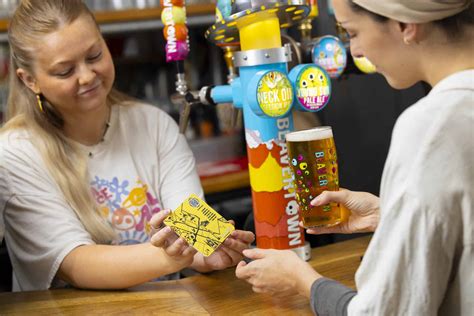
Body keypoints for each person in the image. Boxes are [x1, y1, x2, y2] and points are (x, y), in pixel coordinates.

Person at [236, 0, 473, 315]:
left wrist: (299, 279)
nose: (356, 51)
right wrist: (386, 214)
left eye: (353, 32)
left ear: (405, 25)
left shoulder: (432, 125)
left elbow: (381, 312)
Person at [0, 0, 254, 292]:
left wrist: (212, 248)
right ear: (30, 80)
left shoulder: (153, 125)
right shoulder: (14, 153)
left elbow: (190, 222)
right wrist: (174, 257)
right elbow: (76, 264)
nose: (86, 76)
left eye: (94, 55)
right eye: (65, 71)